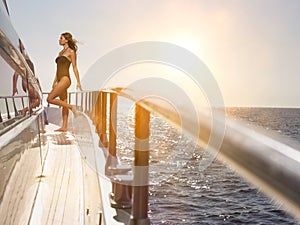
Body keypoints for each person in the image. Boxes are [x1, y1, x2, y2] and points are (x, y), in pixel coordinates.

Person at [47, 32, 82, 132]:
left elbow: (75, 67)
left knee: (49, 99)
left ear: (66, 40)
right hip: (59, 79)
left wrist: (78, 82)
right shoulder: (60, 53)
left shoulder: (71, 51)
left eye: (61, 38)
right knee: (63, 103)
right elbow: (57, 70)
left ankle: (72, 107)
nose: (59, 40)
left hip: (65, 79)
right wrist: (55, 81)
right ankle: (64, 126)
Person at [12, 39, 41, 116]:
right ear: (20, 46)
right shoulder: (20, 59)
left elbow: (32, 71)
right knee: (38, 99)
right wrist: (14, 87)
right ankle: (24, 110)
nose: (23, 45)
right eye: (22, 44)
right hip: (27, 81)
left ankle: (29, 112)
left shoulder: (26, 56)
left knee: (33, 100)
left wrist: (37, 82)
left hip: (32, 81)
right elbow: (15, 74)